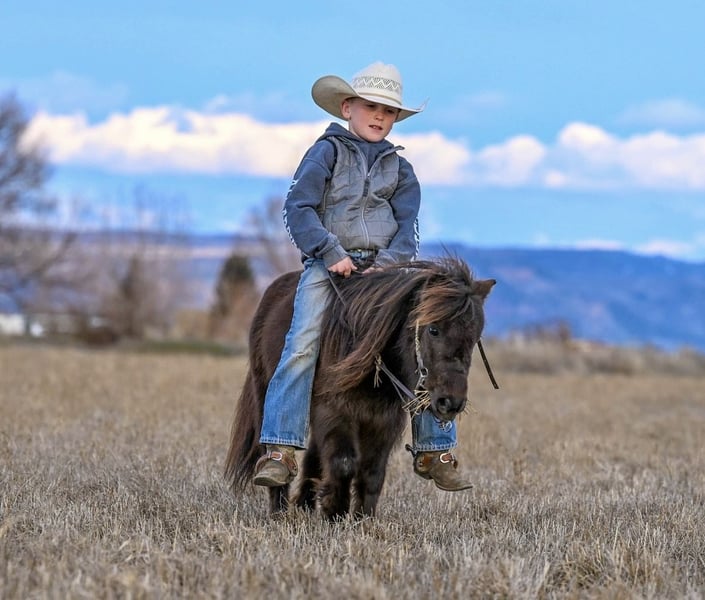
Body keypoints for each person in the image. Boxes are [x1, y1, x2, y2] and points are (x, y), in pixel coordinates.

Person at [254, 62, 472, 492]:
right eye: (371, 107)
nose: (379, 117)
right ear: (347, 107)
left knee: (425, 343)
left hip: (386, 271)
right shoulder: (326, 153)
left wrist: (388, 264)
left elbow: (407, 228)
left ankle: (434, 449)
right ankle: (280, 449)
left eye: (388, 111)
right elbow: (298, 208)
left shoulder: (401, 169)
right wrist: (330, 251)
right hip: (329, 264)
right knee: (301, 344)